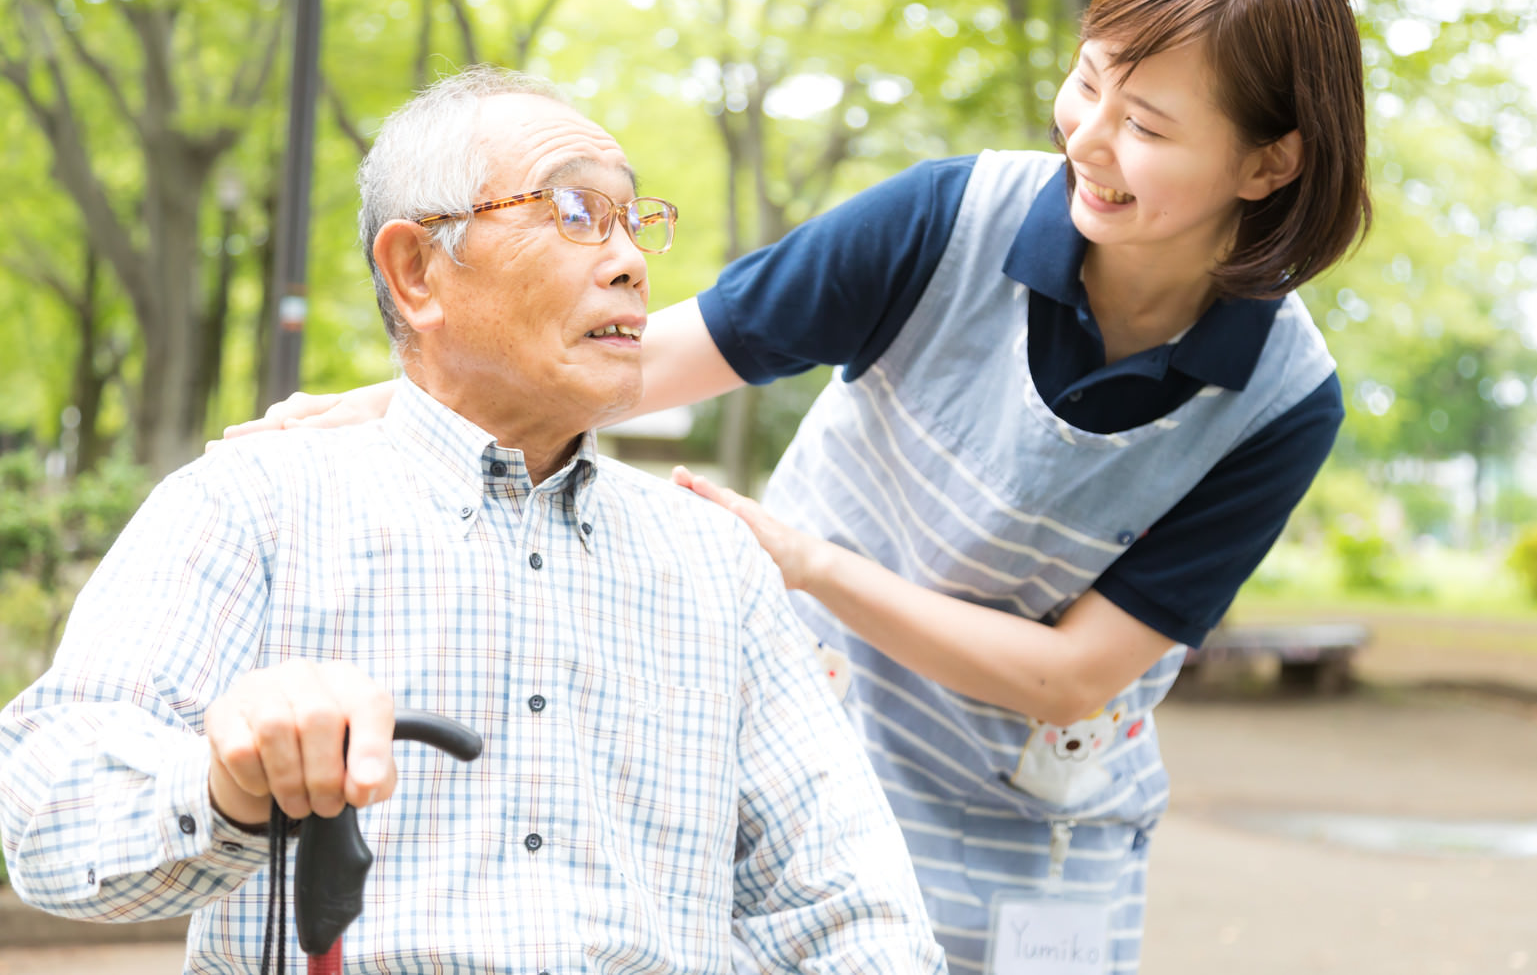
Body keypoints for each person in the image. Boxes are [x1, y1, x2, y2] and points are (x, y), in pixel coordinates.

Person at [220, 0, 1370, 973]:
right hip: (808, 738)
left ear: (1267, 164)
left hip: (1035, 817)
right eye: (1086, 82)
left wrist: (809, 562)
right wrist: (400, 404)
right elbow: (647, 362)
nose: (1089, 138)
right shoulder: (944, 221)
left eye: (1149, 127)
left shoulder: (1282, 397)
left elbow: (1069, 672)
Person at [0, 68, 947, 975]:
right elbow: (45, 808)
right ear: (417, 271)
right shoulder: (254, 503)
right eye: (574, 213)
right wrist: (228, 782)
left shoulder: (714, 562)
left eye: (630, 222)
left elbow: (846, 906)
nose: (628, 263)